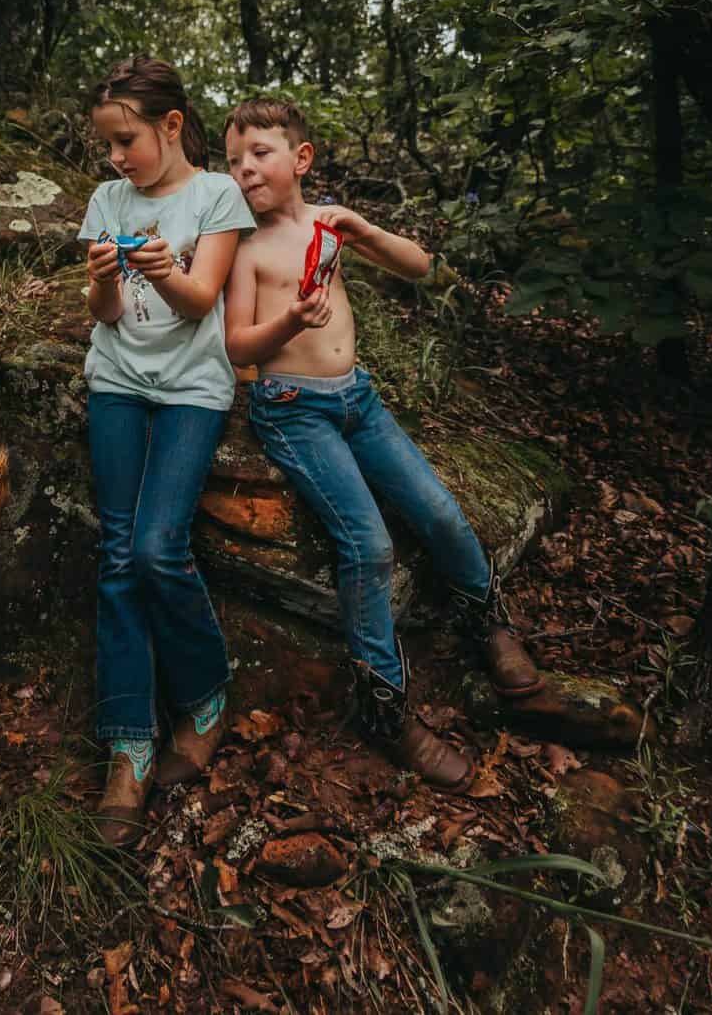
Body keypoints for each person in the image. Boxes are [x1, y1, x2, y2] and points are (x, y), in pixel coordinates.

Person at [222, 97, 546, 790]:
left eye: (259, 153)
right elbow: (238, 346)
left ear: (301, 159)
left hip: (359, 402)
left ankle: (488, 625)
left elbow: (419, 265)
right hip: (292, 411)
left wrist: (366, 229)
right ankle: (386, 709)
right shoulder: (245, 249)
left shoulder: (329, 225)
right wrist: (287, 324)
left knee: (439, 512)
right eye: (233, 161)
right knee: (367, 546)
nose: (245, 169)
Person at [77, 56, 257, 846]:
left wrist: (170, 268)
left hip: (191, 389)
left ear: (172, 125)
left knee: (157, 548)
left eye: (128, 140)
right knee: (119, 554)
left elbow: (200, 303)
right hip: (116, 379)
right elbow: (107, 314)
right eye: (108, 145)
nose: (117, 158)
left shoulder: (216, 195)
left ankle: (206, 692)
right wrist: (105, 279)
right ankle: (129, 744)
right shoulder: (107, 200)